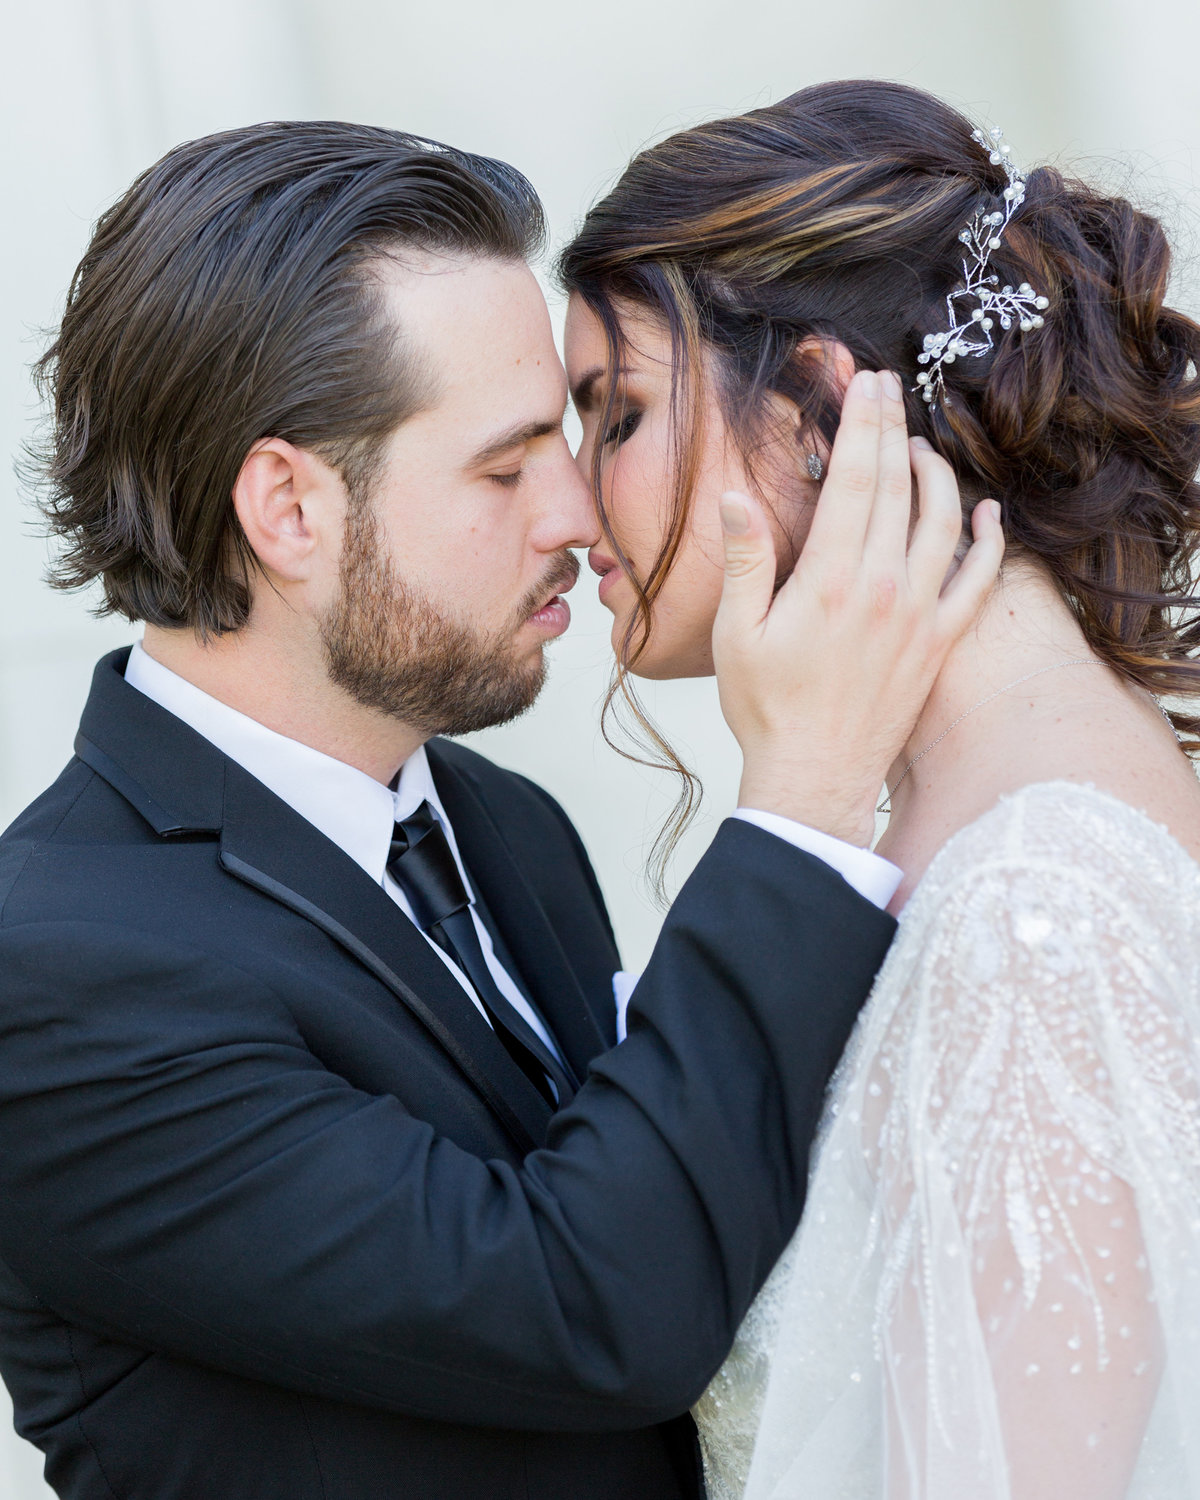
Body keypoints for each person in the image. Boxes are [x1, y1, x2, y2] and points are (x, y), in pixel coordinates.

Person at [0, 122, 1001, 1500]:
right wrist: (806, 797)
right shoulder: (53, 975)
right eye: (506, 463)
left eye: (581, 436)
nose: (585, 514)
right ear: (288, 507)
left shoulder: (502, 823)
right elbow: (593, 1306)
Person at [560, 79, 1200, 1499]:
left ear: (820, 416)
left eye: (615, 415)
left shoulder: (1038, 911)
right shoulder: (959, 826)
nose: (565, 501)